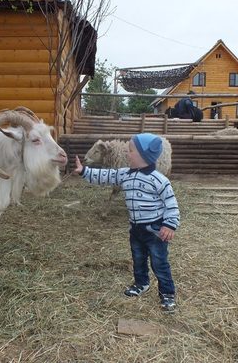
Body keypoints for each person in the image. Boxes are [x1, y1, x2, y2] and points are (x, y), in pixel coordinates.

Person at [74, 133, 180, 312]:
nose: (127, 154)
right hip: (136, 229)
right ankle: (141, 283)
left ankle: (167, 294)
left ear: (143, 156)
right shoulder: (125, 174)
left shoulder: (159, 180)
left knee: (159, 262)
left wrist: (169, 224)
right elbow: (106, 176)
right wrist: (84, 171)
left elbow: (171, 204)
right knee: (138, 259)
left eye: (131, 151)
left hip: (155, 230)